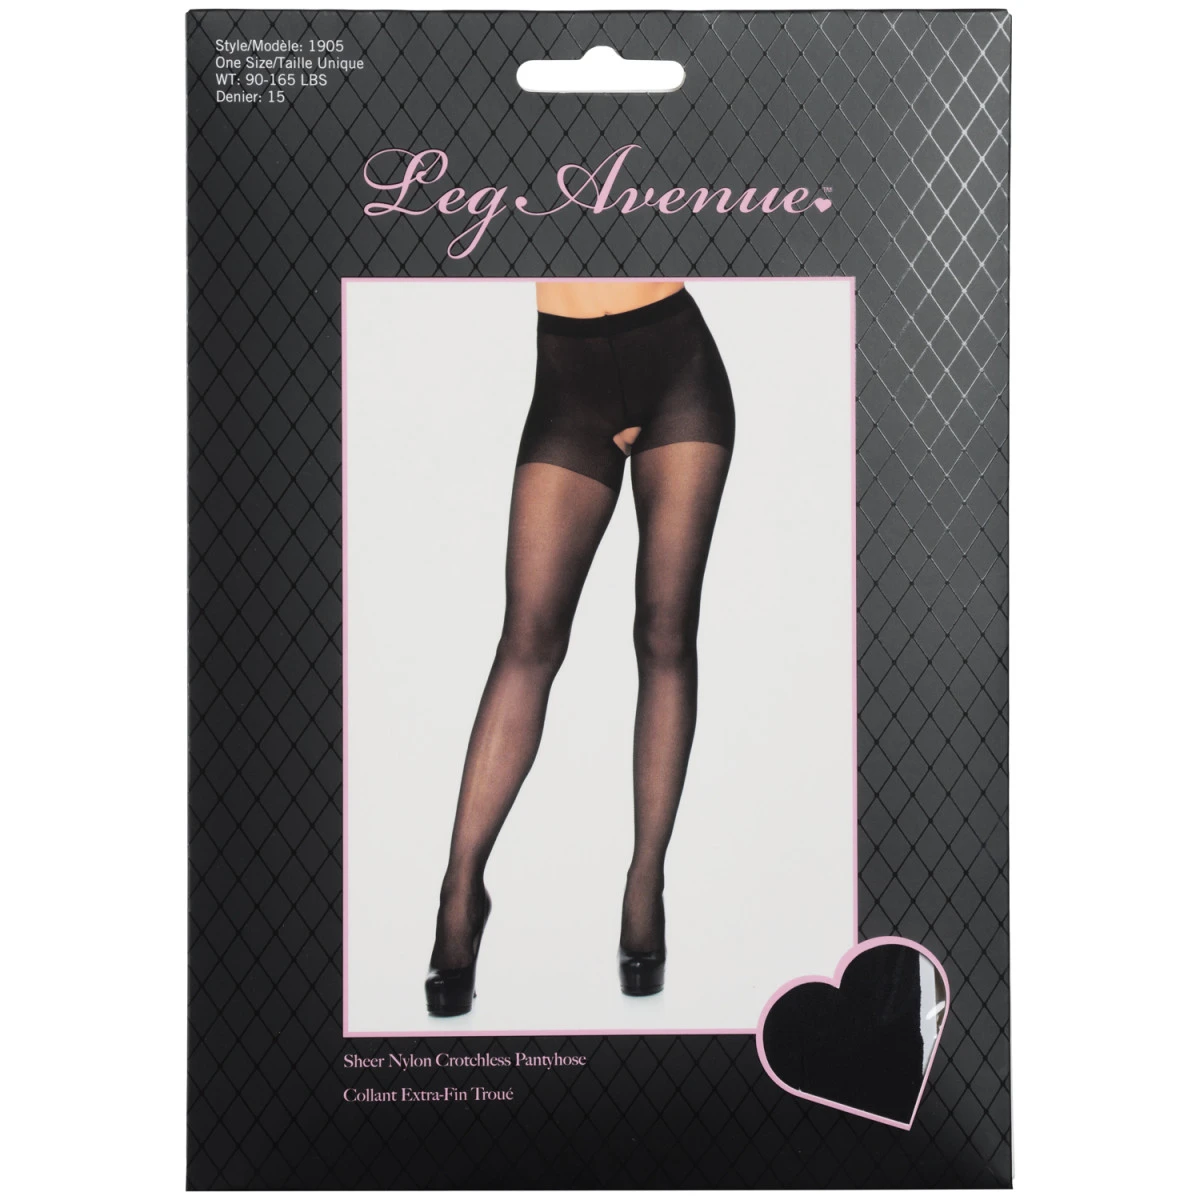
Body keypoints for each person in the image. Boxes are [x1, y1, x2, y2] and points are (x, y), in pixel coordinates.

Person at [425, 280, 735, 1015]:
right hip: (568, 382)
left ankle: (645, 883)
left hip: (680, 372)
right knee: (528, 638)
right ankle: (460, 889)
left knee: (664, 631)